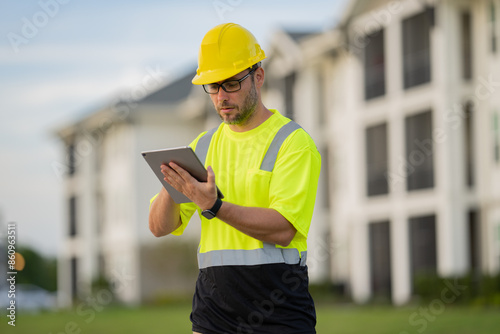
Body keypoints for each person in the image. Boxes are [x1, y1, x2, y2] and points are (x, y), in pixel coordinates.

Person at [149, 22, 321, 334]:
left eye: (231, 84)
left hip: (278, 318)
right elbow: (159, 227)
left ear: (258, 76)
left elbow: (283, 229)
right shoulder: (201, 146)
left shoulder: (293, 142)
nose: (220, 97)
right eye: (213, 86)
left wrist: (214, 206)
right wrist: (170, 182)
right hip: (212, 319)